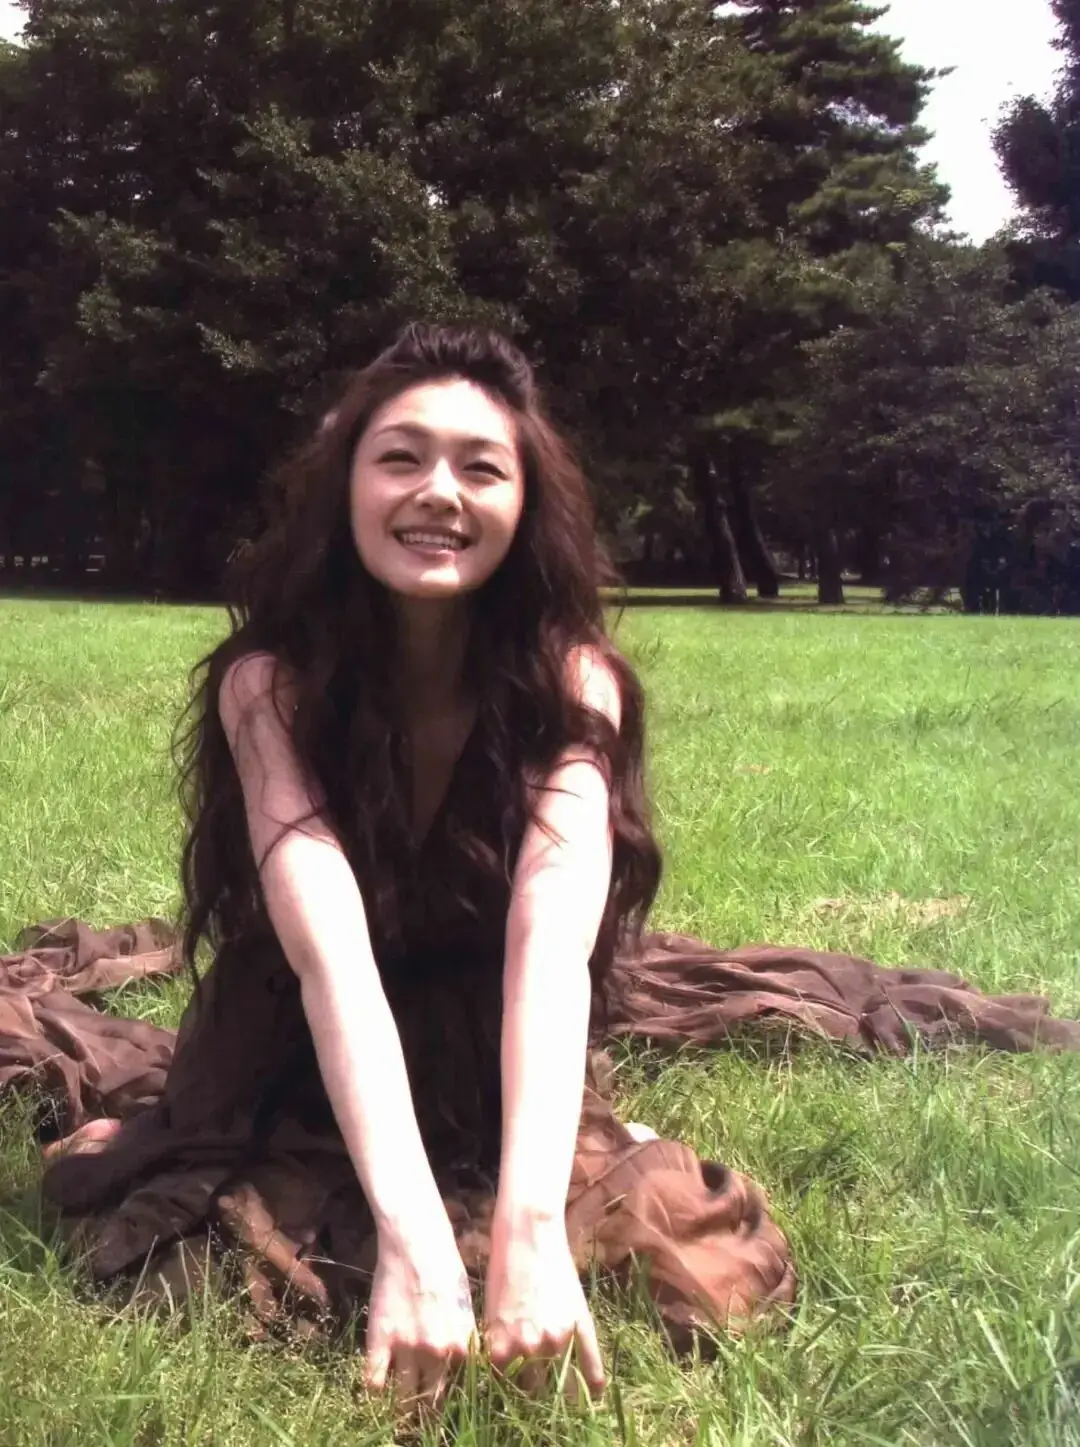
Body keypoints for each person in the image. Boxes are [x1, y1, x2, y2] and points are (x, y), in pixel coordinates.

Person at [40, 323, 794, 1408]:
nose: (439, 491)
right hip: (296, 1047)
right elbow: (330, 960)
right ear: (346, 486)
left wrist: (530, 1227)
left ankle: (568, 1154)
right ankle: (196, 1131)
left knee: (692, 1274)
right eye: (400, 457)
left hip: (485, 1041)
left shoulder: (576, 682)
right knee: (225, 1265)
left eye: (481, 467)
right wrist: (414, 1236)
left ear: (526, 504)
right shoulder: (270, 686)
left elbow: (550, 948)